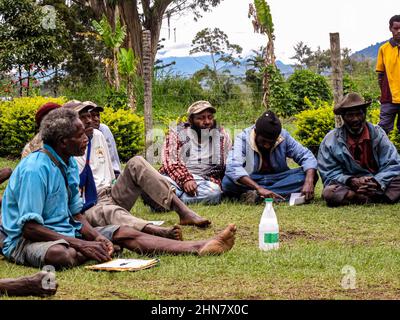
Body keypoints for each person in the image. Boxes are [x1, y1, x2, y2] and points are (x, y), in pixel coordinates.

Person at [0, 108, 236, 270]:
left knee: (123, 231)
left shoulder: (68, 163)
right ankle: (94, 250)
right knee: (62, 255)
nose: (87, 138)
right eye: (80, 134)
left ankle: (198, 247)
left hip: (65, 232)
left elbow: (76, 215)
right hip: (26, 242)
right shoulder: (34, 170)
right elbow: (30, 228)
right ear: (63, 142)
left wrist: (95, 238)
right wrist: (83, 244)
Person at [71, 101, 212, 230]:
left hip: (110, 195)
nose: (90, 120)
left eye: (89, 116)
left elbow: (110, 172)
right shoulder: (66, 149)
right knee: (108, 212)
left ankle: (184, 211)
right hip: (90, 206)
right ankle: (154, 230)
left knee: (137, 162)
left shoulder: (98, 135)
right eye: (83, 117)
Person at [318, 93, 400, 207]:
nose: (355, 119)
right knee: (329, 192)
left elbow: (393, 163)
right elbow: (328, 173)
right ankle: (368, 197)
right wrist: (351, 180)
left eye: (359, 114)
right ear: (342, 117)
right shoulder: (330, 140)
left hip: (377, 183)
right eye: (350, 115)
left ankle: (362, 196)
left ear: (365, 114)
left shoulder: (378, 133)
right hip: (349, 186)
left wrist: (376, 181)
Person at [222, 110, 318, 203]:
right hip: (252, 179)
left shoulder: (283, 136)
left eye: (271, 142)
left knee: (308, 175)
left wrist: (309, 181)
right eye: (263, 141)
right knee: (228, 182)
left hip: (278, 178)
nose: (267, 145)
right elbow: (233, 166)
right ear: (256, 132)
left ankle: (256, 197)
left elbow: (306, 156)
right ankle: (271, 194)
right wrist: (258, 188)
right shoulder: (243, 138)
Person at [157, 101, 232, 205]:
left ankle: (170, 200)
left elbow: (227, 164)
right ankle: (175, 197)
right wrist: (186, 179)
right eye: (201, 118)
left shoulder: (222, 135)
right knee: (160, 181)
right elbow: (170, 162)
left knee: (214, 192)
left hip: (204, 181)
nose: (207, 122)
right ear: (191, 120)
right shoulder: (177, 133)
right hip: (175, 178)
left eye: (210, 117)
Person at [376, 15, 400, 134]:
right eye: (396, 28)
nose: (399, 31)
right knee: (382, 131)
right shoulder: (383, 49)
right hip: (388, 98)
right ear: (390, 29)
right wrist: (385, 92)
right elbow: (380, 75)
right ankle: (381, 153)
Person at [89, 102, 121, 178]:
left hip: (111, 174)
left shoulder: (103, 130)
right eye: (92, 116)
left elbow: (113, 156)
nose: (96, 119)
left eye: (98, 115)